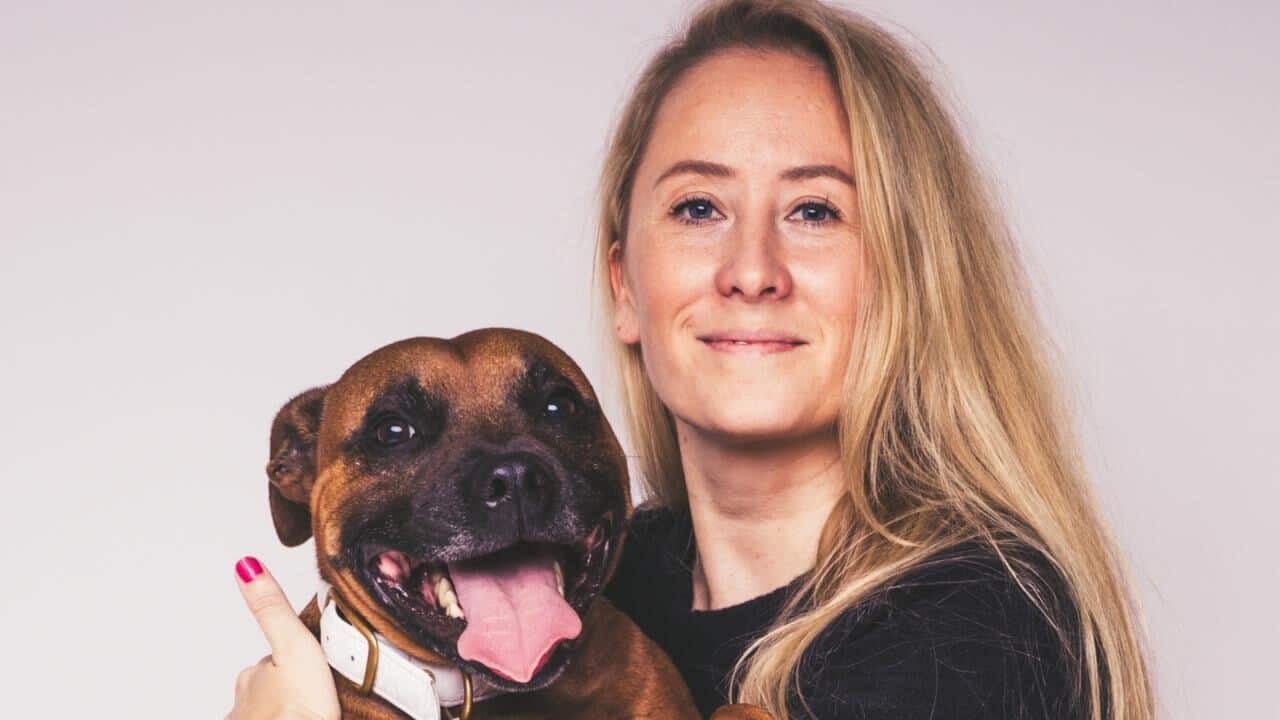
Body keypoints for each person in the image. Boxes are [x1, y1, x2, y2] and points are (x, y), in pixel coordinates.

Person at [227, 1, 1155, 718]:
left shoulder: (978, 624)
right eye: (698, 208)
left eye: (816, 210)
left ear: (909, 276)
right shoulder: (611, 583)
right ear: (625, 283)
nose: (752, 270)